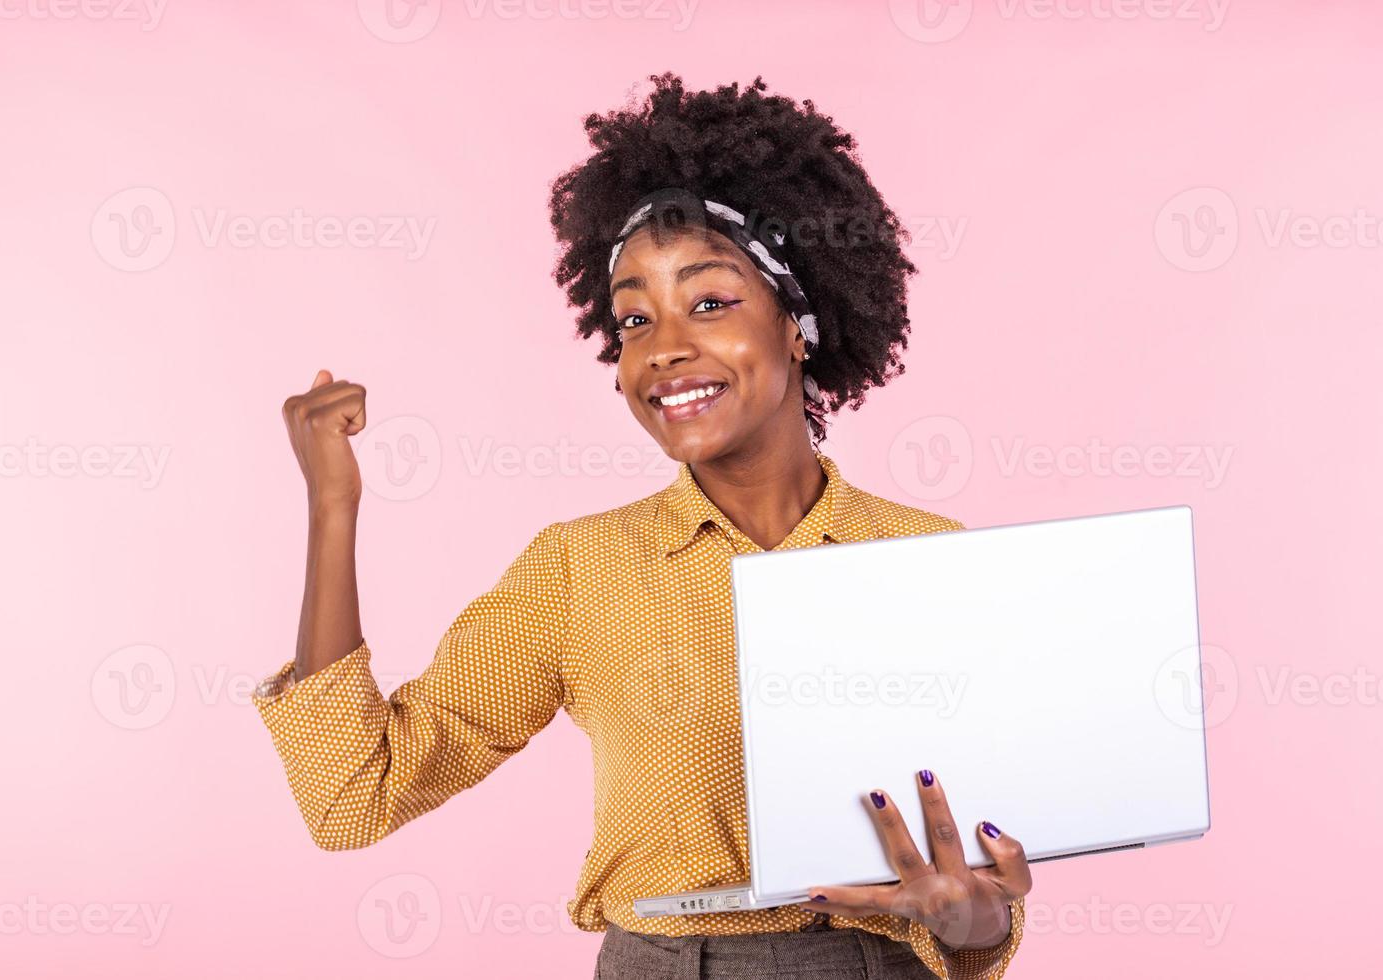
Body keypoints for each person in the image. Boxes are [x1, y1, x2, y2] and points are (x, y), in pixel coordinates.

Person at [253, 72, 1029, 980]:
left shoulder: (933, 562)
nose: (662, 347)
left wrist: (974, 920)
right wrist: (332, 507)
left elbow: (977, 907)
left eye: (709, 302)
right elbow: (353, 795)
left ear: (799, 324)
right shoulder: (581, 571)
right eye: (632, 317)